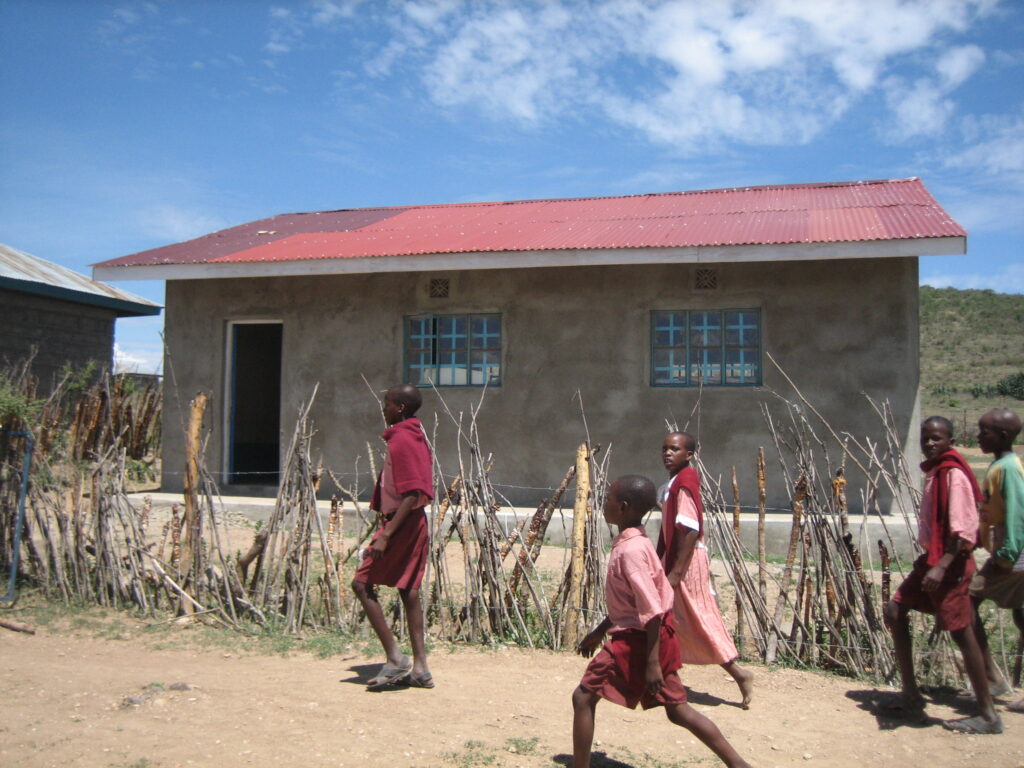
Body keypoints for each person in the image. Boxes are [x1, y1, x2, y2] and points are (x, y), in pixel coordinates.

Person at [571, 475, 751, 768]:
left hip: (638, 641)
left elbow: (651, 610)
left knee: (583, 697)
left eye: (608, 500)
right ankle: (739, 765)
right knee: (678, 710)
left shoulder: (632, 552)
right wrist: (600, 630)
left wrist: (652, 663)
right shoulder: (638, 544)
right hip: (655, 637)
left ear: (624, 507)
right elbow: (635, 603)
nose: (603, 504)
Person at [881, 416, 1002, 734]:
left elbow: (965, 532)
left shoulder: (954, 475)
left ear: (950, 441)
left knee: (962, 632)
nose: (930, 443)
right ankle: (910, 695)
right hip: (933, 559)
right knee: (895, 610)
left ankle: (988, 715)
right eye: (926, 438)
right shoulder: (937, 472)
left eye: (937, 438)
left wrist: (942, 565)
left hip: (951, 563)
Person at [657, 431, 754, 708]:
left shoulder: (685, 482)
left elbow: (690, 529)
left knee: (698, 616)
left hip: (686, 562)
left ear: (689, 455)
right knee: (667, 616)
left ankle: (738, 673)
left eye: (674, 449)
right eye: (664, 448)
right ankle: (660, 673)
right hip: (675, 559)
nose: (667, 453)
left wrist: (676, 572)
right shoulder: (675, 482)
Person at [351, 384, 434, 690]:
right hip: (412, 522)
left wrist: (386, 535)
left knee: (361, 583)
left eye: (386, 403)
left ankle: (396, 658)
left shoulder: (402, 439)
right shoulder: (414, 434)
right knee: (408, 589)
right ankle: (421, 668)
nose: (383, 408)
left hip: (402, 523)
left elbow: (413, 493)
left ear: (399, 407)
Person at [969, 408, 1024, 712]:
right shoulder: (1000, 466)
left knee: (967, 600)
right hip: (1010, 550)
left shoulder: (1008, 469)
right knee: (1020, 615)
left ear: (1002, 435)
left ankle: (990, 678)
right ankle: (992, 678)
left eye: (984, 431)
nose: (978, 436)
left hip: (1013, 553)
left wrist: (1006, 554)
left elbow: (1017, 513)